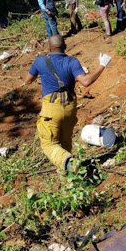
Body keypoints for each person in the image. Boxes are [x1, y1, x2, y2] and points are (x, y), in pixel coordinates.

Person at [25, 35, 111, 175]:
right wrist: (102, 65)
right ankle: (68, 184)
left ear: (49, 48)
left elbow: (28, 80)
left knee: (49, 145)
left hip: (52, 109)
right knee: (65, 146)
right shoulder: (72, 62)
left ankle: (70, 163)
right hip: (70, 108)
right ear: (65, 47)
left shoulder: (40, 61)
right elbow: (86, 81)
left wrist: (41, 75)